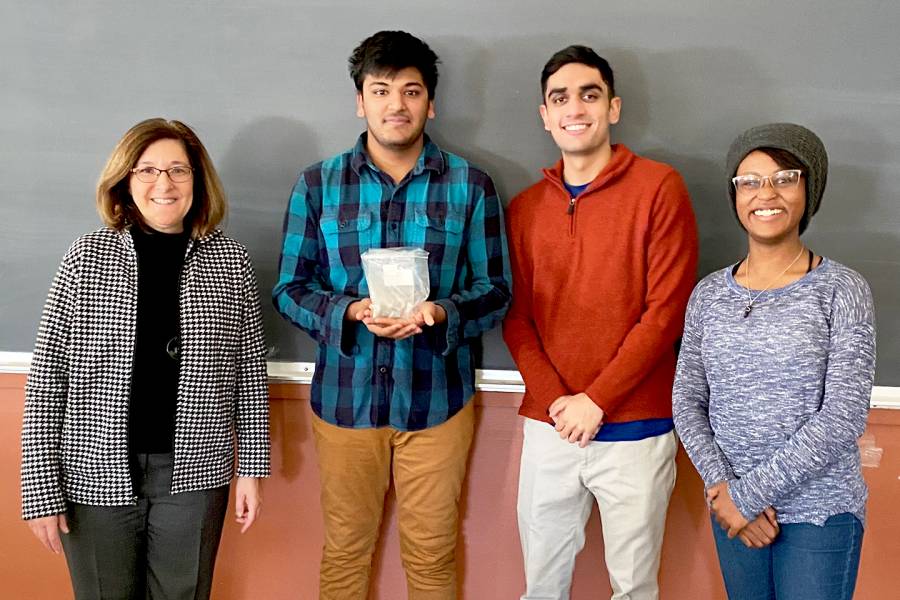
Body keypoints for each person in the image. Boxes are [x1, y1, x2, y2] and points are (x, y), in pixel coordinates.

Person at [272, 30, 511, 600]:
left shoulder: (470, 186)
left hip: (436, 402)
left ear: (432, 102)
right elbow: (288, 288)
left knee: (433, 555)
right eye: (381, 91)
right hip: (344, 402)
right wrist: (348, 310)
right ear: (360, 100)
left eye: (411, 91)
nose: (395, 105)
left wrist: (440, 313)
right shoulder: (317, 185)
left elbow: (496, 289)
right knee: (346, 552)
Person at [21, 118, 271, 600]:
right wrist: (39, 493)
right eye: (147, 170)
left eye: (178, 170)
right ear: (124, 181)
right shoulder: (85, 257)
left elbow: (250, 375)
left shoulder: (232, 260)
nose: (164, 184)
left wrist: (251, 470)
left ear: (198, 181)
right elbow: (46, 378)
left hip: (196, 474)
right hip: (93, 471)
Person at [503, 45, 698, 599]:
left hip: (636, 428)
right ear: (544, 114)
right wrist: (558, 402)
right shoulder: (524, 209)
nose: (575, 108)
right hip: (551, 426)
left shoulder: (660, 189)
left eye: (589, 94)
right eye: (559, 98)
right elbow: (517, 319)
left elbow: (666, 313)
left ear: (613, 107)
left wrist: (598, 400)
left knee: (634, 589)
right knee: (541, 587)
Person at [672, 122, 876, 599]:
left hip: (819, 515)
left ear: (809, 189)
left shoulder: (841, 289)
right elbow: (687, 399)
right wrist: (724, 489)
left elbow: (844, 416)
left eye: (785, 178)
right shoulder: (707, 295)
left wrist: (747, 496)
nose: (767, 193)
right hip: (733, 513)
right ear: (735, 195)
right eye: (750, 181)